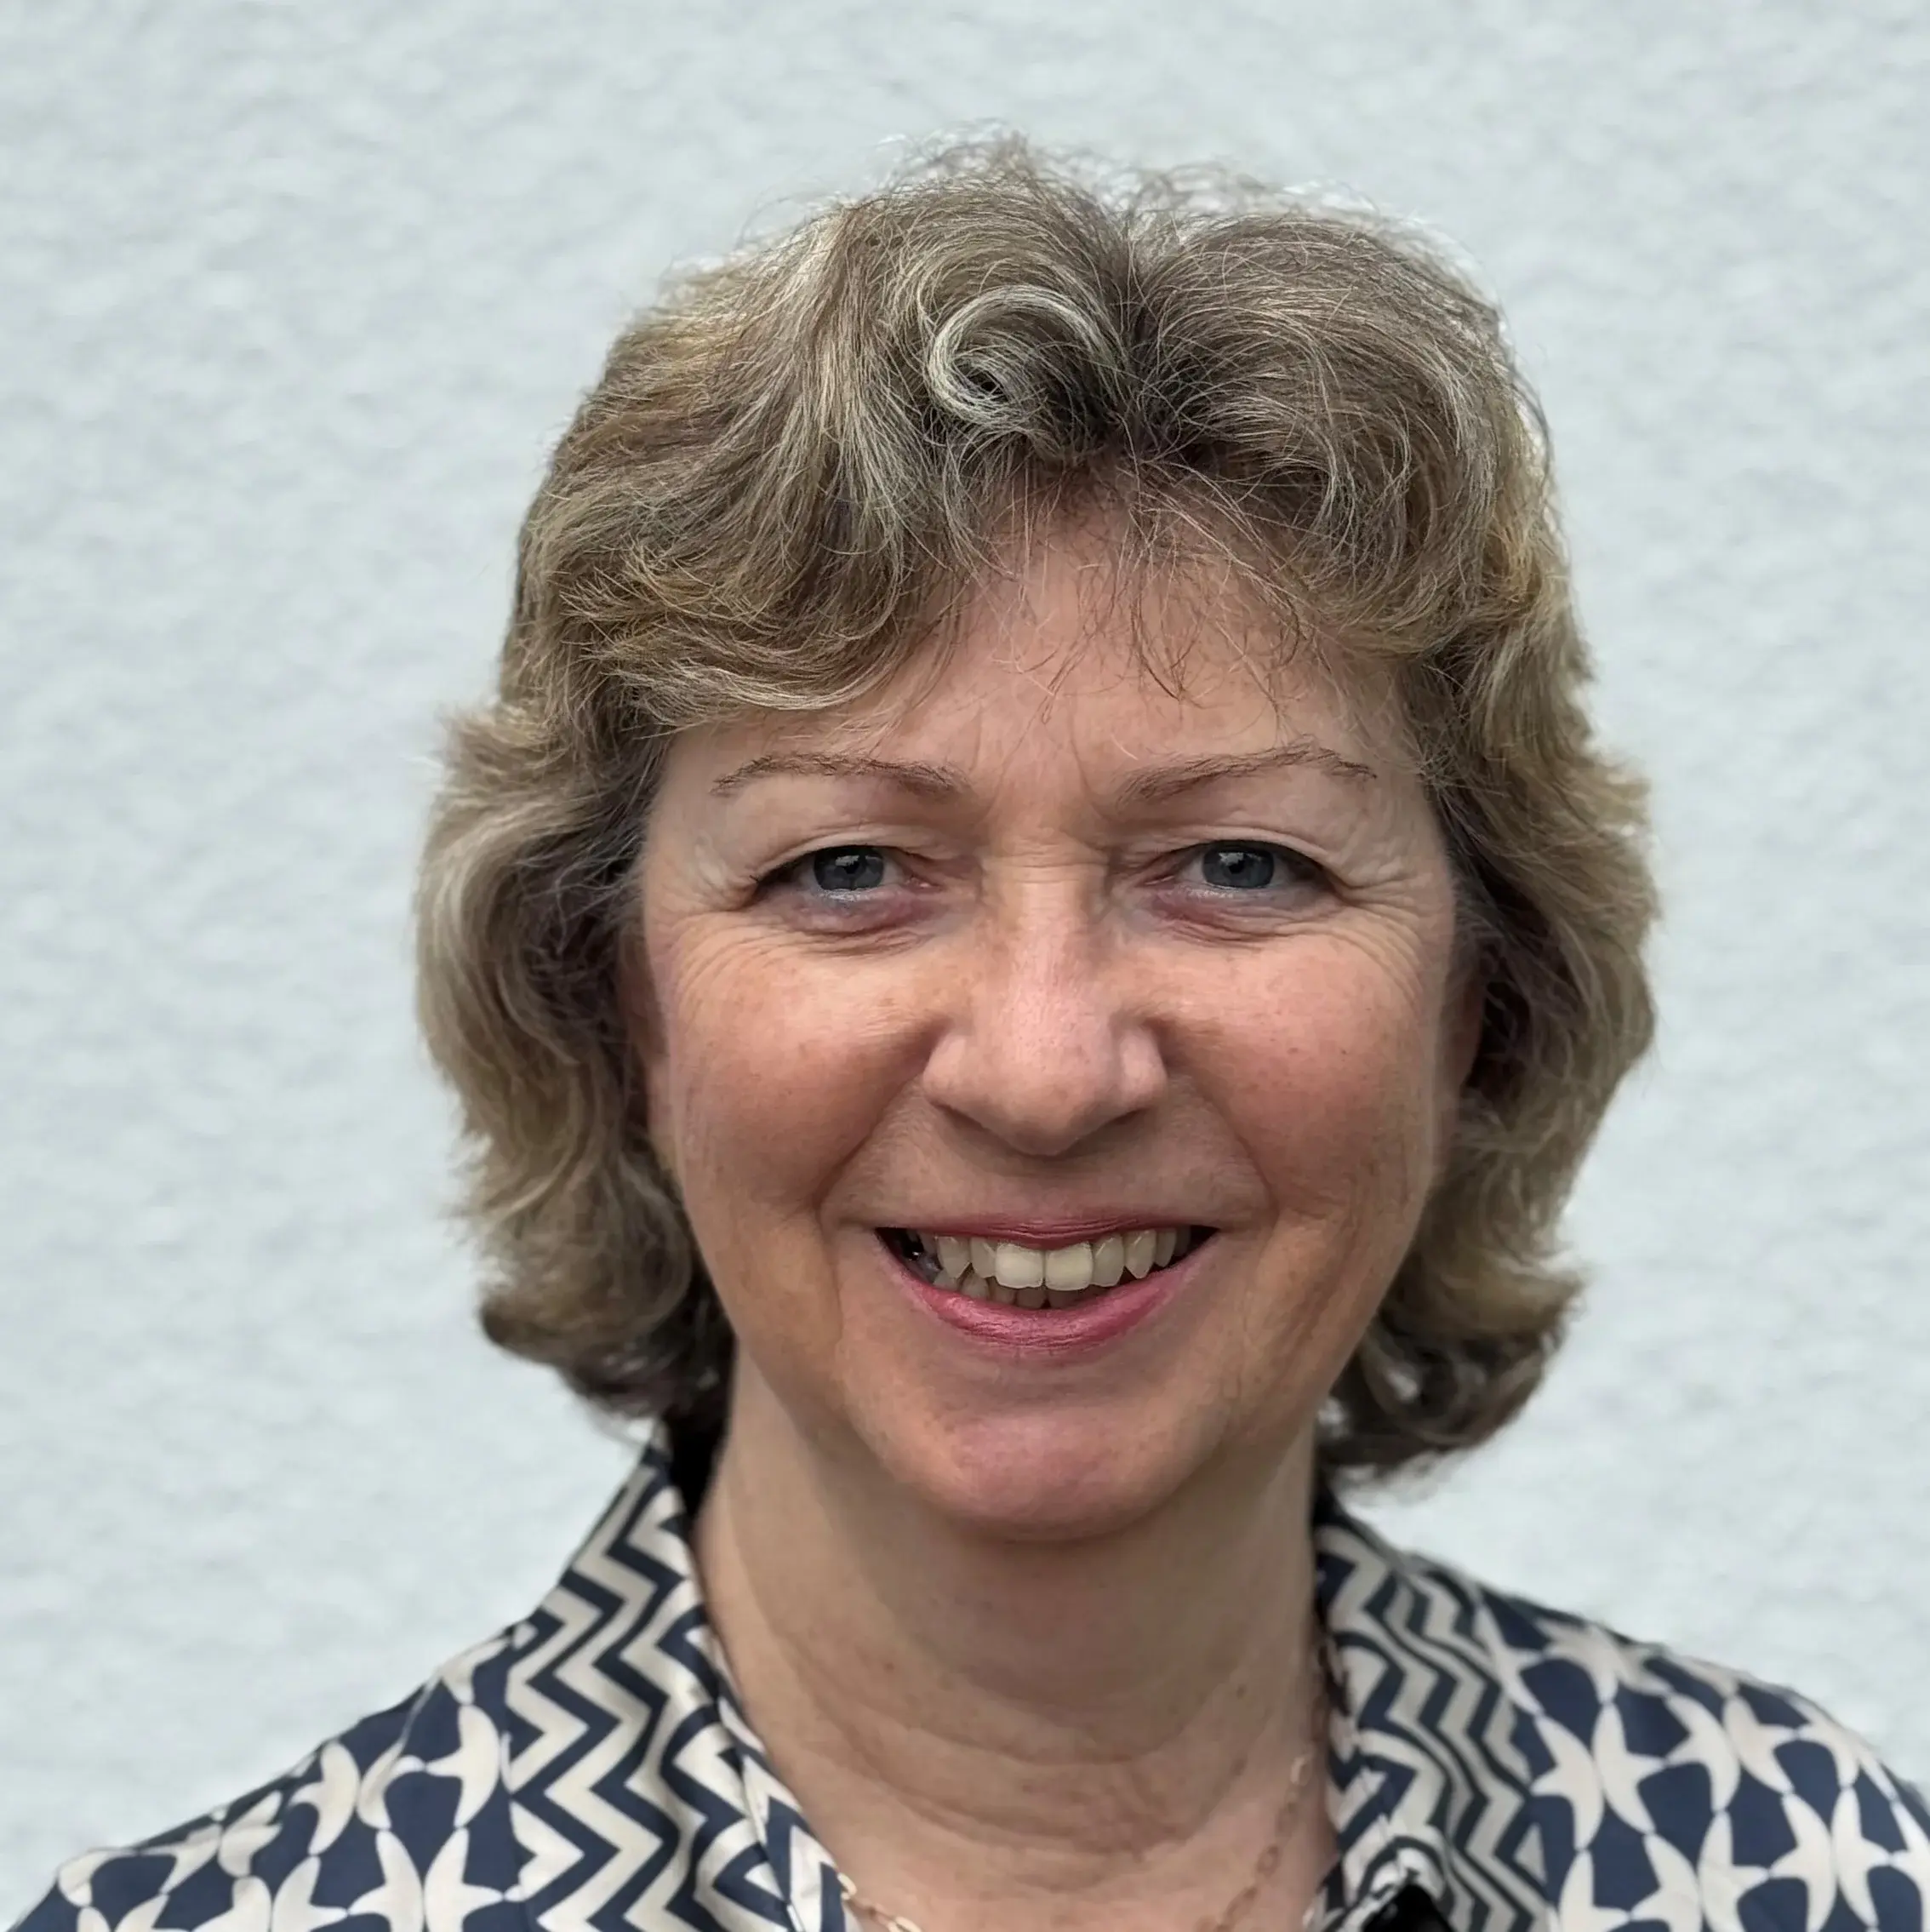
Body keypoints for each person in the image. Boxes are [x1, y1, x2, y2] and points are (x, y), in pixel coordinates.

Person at [15, 137, 1927, 1932]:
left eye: (1239, 865)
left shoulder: (1807, 1872)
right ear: (621, 1008)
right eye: (851, 867)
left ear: (1477, 1007)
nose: (1041, 1067)